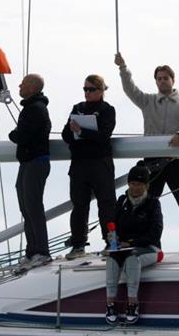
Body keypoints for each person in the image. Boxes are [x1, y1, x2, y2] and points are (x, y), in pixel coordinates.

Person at [114, 52, 179, 250]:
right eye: (159, 78)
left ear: (173, 80)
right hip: (152, 160)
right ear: (155, 81)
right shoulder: (148, 101)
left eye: (166, 78)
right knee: (147, 202)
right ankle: (147, 241)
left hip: (175, 160)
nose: (162, 81)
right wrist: (123, 68)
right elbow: (130, 90)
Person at [61, 74, 117, 260]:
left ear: (101, 91)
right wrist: (75, 132)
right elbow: (66, 135)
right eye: (85, 89)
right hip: (79, 163)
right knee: (79, 205)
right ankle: (78, 244)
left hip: (100, 162)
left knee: (106, 203)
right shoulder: (78, 108)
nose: (87, 93)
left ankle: (111, 242)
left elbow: (103, 136)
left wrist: (82, 132)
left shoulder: (107, 110)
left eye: (91, 89)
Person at [104, 163, 163, 326]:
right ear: (128, 184)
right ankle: (110, 305)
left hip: (149, 248)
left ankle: (133, 304)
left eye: (139, 184)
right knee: (111, 260)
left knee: (132, 259)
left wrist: (129, 243)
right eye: (133, 184)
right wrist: (111, 239)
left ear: (147, 185)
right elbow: (112, 224)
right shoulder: (122, 201)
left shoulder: (153, 204)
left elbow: (155, 234)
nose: (135, 188)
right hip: (123, 248)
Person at [8, 74, 52, 271]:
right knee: (26, 208)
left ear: (33, 88)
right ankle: (32, 251)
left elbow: (23, 135)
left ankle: (42, 251)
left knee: (33, 207)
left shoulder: (36, 109)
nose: (19, 86)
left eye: (23, 84)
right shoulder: (31, 108)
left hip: (36, 161)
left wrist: (14, 134)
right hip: (28, 162)